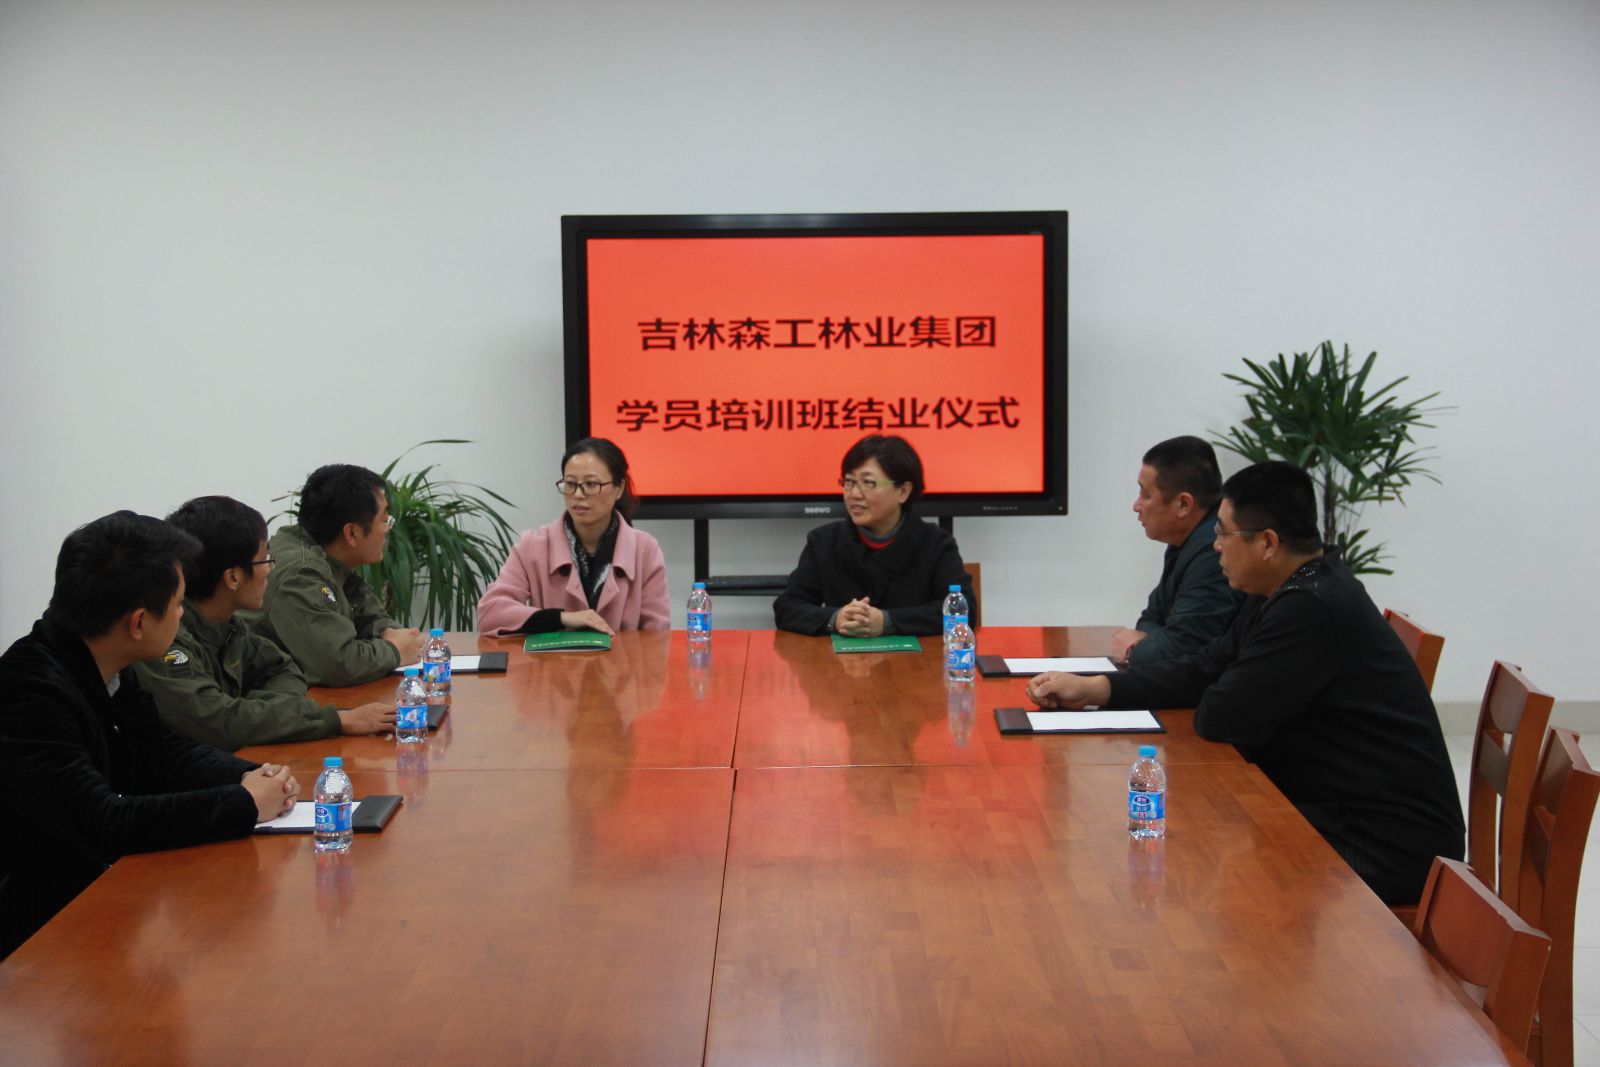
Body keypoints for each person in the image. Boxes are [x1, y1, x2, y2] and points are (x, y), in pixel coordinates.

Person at [1026, 461, 1463, 905]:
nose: (1215, 545)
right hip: (1329, 809)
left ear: (1268, 543)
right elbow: (1203, 670)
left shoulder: (1311, 608)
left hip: (1382, 845)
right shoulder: (1283, 588)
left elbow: (1220, 716)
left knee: (1194, 874)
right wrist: (1097, 689)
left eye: (1223, 533)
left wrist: (1221, 682)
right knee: (1189, 857)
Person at [0, 512, 299, 959]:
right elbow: (103, 823)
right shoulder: (29, 693)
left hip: (106, 903)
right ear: (138, 622)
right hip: (39, 936)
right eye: (178, 604)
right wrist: (243, 803)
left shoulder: (103, 661)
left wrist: (252, 775)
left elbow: (162, 753)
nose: (182, 614)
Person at [134, 496, 395, 751]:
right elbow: (218, 723)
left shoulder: (227, 625)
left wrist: (257, 712)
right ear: (233, 577)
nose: (271, 568)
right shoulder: (165, 639)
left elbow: (283, 669)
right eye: (264, 559)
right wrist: (335, 719)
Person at [774, 434, 972, 637]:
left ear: (903, 491)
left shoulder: (936, 543)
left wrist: (888, 621)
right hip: (839, 657)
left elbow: (964, 611)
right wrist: (835, 618)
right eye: (849, 482)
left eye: (868, 482)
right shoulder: (824, 542)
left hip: (918, 656)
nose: (854, 494)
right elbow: (787, 607)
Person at [245, 464, 422, 686]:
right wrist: (394, 650)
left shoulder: (328, 557)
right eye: (384, 520)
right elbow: (338, 664)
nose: (388, 528)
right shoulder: (300, 574)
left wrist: (392, 634)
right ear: (352, 533)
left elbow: (369, 617)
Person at [478, 437, 669, 635]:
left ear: (618, 488)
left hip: (623, 656)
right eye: (570, 484)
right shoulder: (533, 545)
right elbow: (490, 612)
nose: (578, 495)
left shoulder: (645, 550)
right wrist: (560, 618)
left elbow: (657, 636)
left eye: (591, 484)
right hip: (554, 656)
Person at [1112, 435, 1245, 667]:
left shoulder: (1214, 550)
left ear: (1183, 504)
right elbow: (1151, 618)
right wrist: (1159, 640)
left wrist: (1135, 649)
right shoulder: (1185, 540)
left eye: (1146, 495)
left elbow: (1183, 651)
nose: (1136, 506)